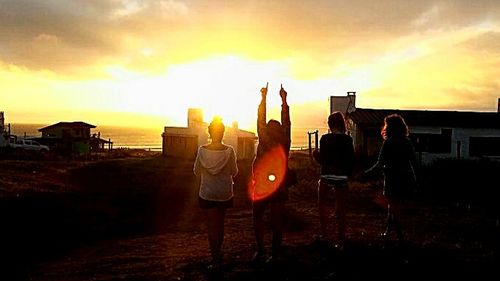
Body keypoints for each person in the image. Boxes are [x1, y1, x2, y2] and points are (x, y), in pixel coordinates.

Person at [251, 84, 291, 263]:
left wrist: (264, 98)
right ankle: (275, 254)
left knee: (257, 217)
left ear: (266, 129)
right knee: (277, 222)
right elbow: (287, 122)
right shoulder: (285, 141)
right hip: (280, 186)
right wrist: (284, 101)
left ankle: (261, 250)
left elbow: (260, 118)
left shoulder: (264, 137)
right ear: (281, 129)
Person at [193, 117, 238, 271]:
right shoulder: (230, 151)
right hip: (224, 193)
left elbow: (196, 171)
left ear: (210, 132)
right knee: (220, 225)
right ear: (223, 132)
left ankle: (215, 259)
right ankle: (219, 254)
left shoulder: (201, 150)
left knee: (212, 226)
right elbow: (234, 172)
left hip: (207, 192)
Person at [365, 114, 416, 247]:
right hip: (405, 178)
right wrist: (415, 179)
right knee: (393, 207)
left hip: (392, 178)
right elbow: (413, 162)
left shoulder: (388, 142)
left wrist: (365, 174)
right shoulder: (407, 142)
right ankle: (388, 232)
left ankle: (399, 236)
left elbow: (379, 164)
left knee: (393, 207)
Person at [312, 111, 354, 249]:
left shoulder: (324, 139)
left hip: (326, 176)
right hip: (342, 177)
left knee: (322, 206)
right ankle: (341, 240)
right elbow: (350, 161)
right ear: (342, 124)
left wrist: (315, 154)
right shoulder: (348, 140)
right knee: (340, 210)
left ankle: (325, 235)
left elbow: (323, 159)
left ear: (330, 124)